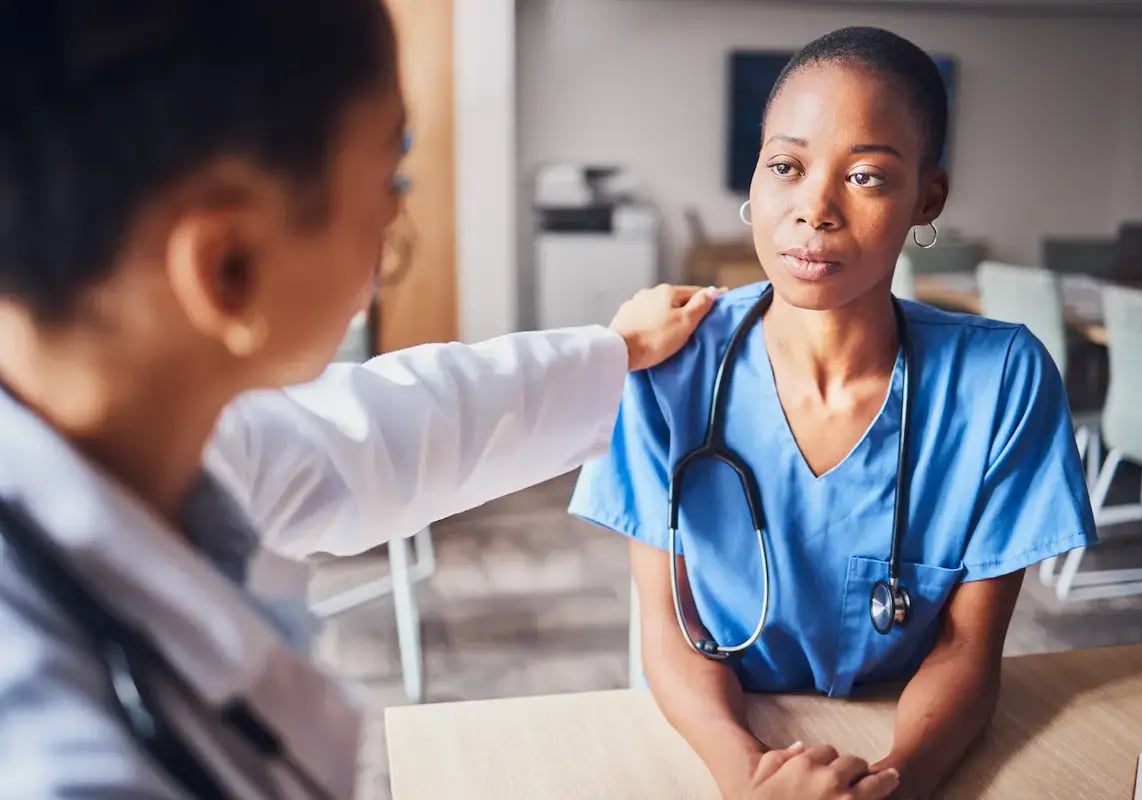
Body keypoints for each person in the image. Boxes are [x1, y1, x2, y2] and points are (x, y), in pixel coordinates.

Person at [0, 2, 730, 798]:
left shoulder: (153, 435)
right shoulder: (56, 755)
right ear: (228, 266)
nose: (394, 224)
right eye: (389, 179)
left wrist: (614, 354)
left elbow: (378, 428)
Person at [570, 26, 1097, 800]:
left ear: (928, 198)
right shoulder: (665, 366)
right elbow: (669, 631)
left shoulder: (1002, 381)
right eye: (786, 166)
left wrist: (891, 786)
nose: (814, 209)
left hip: (907, 729)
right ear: (756, 177)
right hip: (724, 723)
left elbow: (965, 652)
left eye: (868, 178)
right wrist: (745, 778)